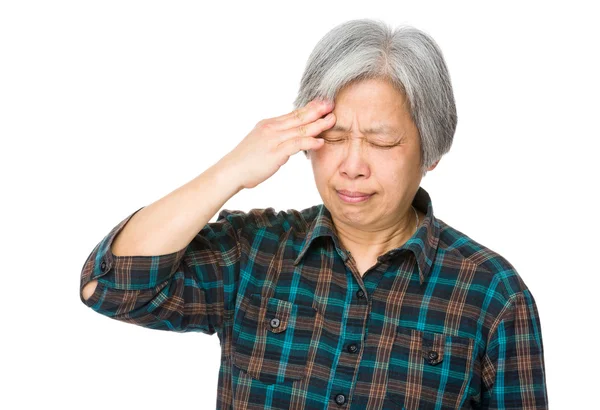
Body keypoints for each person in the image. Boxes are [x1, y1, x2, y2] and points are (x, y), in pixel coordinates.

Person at [80, 18, 548, 409]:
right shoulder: (256, 249)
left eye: (382, 142)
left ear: (431, 152)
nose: (352, 166)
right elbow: (110, 288)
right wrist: (231, 172)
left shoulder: (492, 295)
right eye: (335, 137)